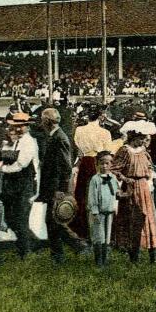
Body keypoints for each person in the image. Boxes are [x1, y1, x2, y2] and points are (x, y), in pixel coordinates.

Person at [110, 119, 156, 263]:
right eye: (141, 139)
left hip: (144, 187)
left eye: (144, 139)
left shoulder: (144, 151)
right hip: (131, 188)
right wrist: (125, 179)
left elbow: (149, 166)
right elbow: (114, 168)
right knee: (132, 221)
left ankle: (153, 255)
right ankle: (134, 256)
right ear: (133, 137)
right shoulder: (125, 151)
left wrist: (149, 174)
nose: (143, 142)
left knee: (148, 219)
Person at [36, 108, 78, 265]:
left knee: (53, 222)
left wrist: (61, 189)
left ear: (47, 121)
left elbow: (66, 167)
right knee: (53, 222)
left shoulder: (59, 138)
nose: (41, 122)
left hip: (56, 188)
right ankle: (67, 250)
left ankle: (67, 251)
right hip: (52, 187)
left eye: (42, 119)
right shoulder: (55, 137)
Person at [0, 113, 39, 259]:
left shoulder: (29, 142)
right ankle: (32, 243)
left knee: (21, 218)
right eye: (15, 126)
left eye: (20, 126)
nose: (17, 129)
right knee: (10, 218)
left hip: (23, 183)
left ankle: (25, 251)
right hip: (11, 184)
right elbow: (5, 157)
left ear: (26, 127)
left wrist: (1, 169)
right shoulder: (14, 141)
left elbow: (21, 164)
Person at [72, 106, 112, 239]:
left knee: (83, 194)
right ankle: (97, 229)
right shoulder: (105, 132)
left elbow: (77, 144)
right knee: (99, 195)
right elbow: (108, 151)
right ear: (101, 116)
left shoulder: (79, 130)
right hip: (97, 162)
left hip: (85, 162)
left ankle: (82, 228)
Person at [87, 151, 119, 268]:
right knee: (98, 236)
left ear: (111, 164)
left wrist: (115, 206)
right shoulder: (95, 180)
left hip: (109, 211)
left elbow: (115, 193)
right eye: (101, 163)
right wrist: (94, 211)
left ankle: (105, 259)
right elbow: (92, 197)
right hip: (98, 213)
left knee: (107, 236)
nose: (104, 166)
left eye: (107, 163)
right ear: (97, 164)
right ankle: (99, 262)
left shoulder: (113, 178)